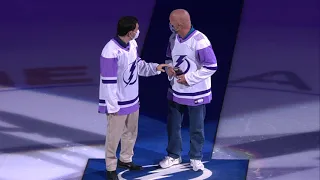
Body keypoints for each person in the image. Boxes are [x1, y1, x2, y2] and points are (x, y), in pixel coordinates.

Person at [98, 16, 168, 180]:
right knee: (113, 137)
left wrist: (155, 68)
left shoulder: (133, 44)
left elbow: (137, 66)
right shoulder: (110, 51)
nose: (138, 32)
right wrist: (112, 106)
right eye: (136, 29)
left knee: (131, 133)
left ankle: (125, 159)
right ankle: (110, 167)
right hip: (117, 103)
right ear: (130, 32)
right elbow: (108, 82)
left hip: (132, 100)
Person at [159, 9, 218, 171]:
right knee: (173, 125)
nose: (169, 25)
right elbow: (169, 58)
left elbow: (211, 66)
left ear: (178, 24)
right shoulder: (173, 38)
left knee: (196, 127)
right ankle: (173, 155)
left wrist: (189, 78)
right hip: (176, 90)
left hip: (196, 92)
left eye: (171, 22)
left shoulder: (200, 41)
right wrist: (169, 69)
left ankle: (196, 157)